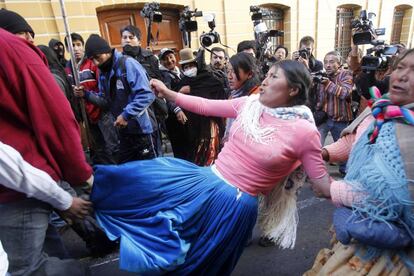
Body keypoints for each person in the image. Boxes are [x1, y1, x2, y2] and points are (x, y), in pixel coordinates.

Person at [90, 60, 331, 275]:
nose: (265, 81)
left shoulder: (305, 131)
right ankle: (90, 186)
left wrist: (355, 191)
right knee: (145, 182)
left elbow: (321, 184)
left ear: (293, 89)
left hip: (234, 206)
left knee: (201, 264)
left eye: (274, 77)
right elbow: (206, 106)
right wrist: (168, 93)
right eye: (266, 75)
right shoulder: (250, 104)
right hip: (206, 180)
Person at [305, 48, 414, 276]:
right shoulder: (381, 107)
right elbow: (353, 141)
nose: (402, 76)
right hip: (361, 231)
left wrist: (332, 189)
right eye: (400, 67)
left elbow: (391, 201)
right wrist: (322, 153)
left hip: (392, 258)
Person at [0, 26, 93, 275]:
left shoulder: (11, 50)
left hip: (20, 185)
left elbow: (56, 119)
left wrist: (77, 176)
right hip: (28, 181)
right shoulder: (13, 50)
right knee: (49, 253)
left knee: (30, 270)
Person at [75, 34, 157, 164]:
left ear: (106, 52)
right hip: (123, 133)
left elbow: (146, 94)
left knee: (150, 173)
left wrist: (126, 115)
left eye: (97, 58)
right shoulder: (103, 73)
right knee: (127, 172)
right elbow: (106, 102)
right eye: (92, 60)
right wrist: (86, 94)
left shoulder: (128, 64)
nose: (96, 63)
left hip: (142, 132)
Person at [65, 32, 118, 164]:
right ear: (67, 49)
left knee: (112, 147)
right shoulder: (68, 69)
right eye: (72, 45)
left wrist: (86, 94)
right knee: (98, 148)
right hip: (86, 116)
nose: (76, 49)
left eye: (78, 45)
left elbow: (103, 93)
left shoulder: (93, 64)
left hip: (102, 112)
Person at [175, 48, 227, 165]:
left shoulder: (208, 78)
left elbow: (217, 93)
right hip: (191, 128)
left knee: (210, 155)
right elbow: (175, 100)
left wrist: (192, 90)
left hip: (209, 125)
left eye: (191, 66)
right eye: (185, 67)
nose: (189, 69)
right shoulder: (182, 83)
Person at [158, 48, 189, 159]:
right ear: (161, 62)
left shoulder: (180, 71)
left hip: (186, 113)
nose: (170, 60)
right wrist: (177, 110)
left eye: (171, 57)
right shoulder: (163, 75)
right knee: (179, 147)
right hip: (174, 117)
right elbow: (166, 94)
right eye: (165, 59)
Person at [223, 52, 261, 141]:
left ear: (250, 74)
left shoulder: (255, 97)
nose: (229, 76)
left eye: (234, 72)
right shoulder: (234, 94)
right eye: (228, 71)